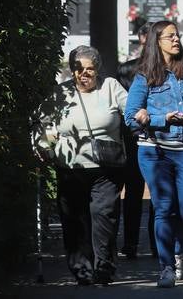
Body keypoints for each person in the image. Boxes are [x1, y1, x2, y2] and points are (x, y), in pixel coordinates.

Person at [124, 20, 183, 288]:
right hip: (155, 150)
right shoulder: (143, 76)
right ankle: (165, 267)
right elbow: (130, 117)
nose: (176, 40)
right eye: (170, 36)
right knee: (163, 207)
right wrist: (162, 118)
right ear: (156, 41)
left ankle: (177, 250)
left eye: (177, 35)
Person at [35, 45, 128, 286]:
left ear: (98, 70)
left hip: (106, 168)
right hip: (70, 168)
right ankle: (82, 269)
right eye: (78, 69)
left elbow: (132, 111)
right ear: (71, 70)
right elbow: (41, 124)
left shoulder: (111, 88)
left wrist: (142, 119)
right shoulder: (60, 94)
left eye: (89, 69)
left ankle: (104, 265)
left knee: (104, 216)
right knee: (74, 220)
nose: (83, 74)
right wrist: (43, 146)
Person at [116, 22, 157, 259]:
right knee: (137, 192)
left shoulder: (171, 68)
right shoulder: (126, 70)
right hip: (136, 138)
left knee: (150, 192)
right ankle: (138, 243)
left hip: (147, 136)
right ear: (141, 38)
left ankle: (142, 243)